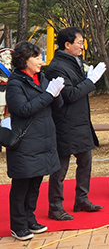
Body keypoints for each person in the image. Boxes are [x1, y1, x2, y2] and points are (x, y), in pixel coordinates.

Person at [5, 42, 64, 241]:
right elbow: (22, 109)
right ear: (24, 60)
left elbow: (56, 105)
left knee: (35, 183)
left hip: (44, 139)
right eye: (37, 57)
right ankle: (18, 225)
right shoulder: (15, 83)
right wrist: (48, 94)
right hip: (25, 142)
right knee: (22, 185)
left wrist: (56, 92)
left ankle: (30, 218)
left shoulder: (42, 78)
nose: (41, 61)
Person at [46, 27, 106, 221]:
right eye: (79, 42)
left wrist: (89, 75)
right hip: (65, 123)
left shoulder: (76, 61)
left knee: (85, 162)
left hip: (81, 122)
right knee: (60, 168)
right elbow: (70, 94)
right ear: (67, 44)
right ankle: (55, 206)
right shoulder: (56, 66)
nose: (82, 46)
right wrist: (91, 80)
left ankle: (82, 198)